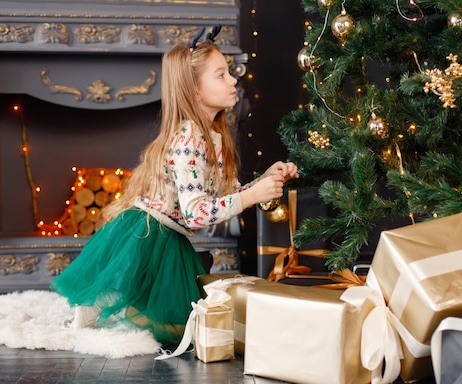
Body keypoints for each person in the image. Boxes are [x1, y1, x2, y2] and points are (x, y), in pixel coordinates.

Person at [49, 26, 299, 344]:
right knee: (173, 326)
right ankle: (99, 304)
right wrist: (252, 196)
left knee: (182, 323)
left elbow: (221, 197)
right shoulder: (189, 137)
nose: (233, 80)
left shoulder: (214, 136)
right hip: (149, 235)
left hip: (170, 235)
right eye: (220, 75)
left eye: (229, 73)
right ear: (195, 90)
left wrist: (263, 181)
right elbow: (197, 214)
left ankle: (103, 305)